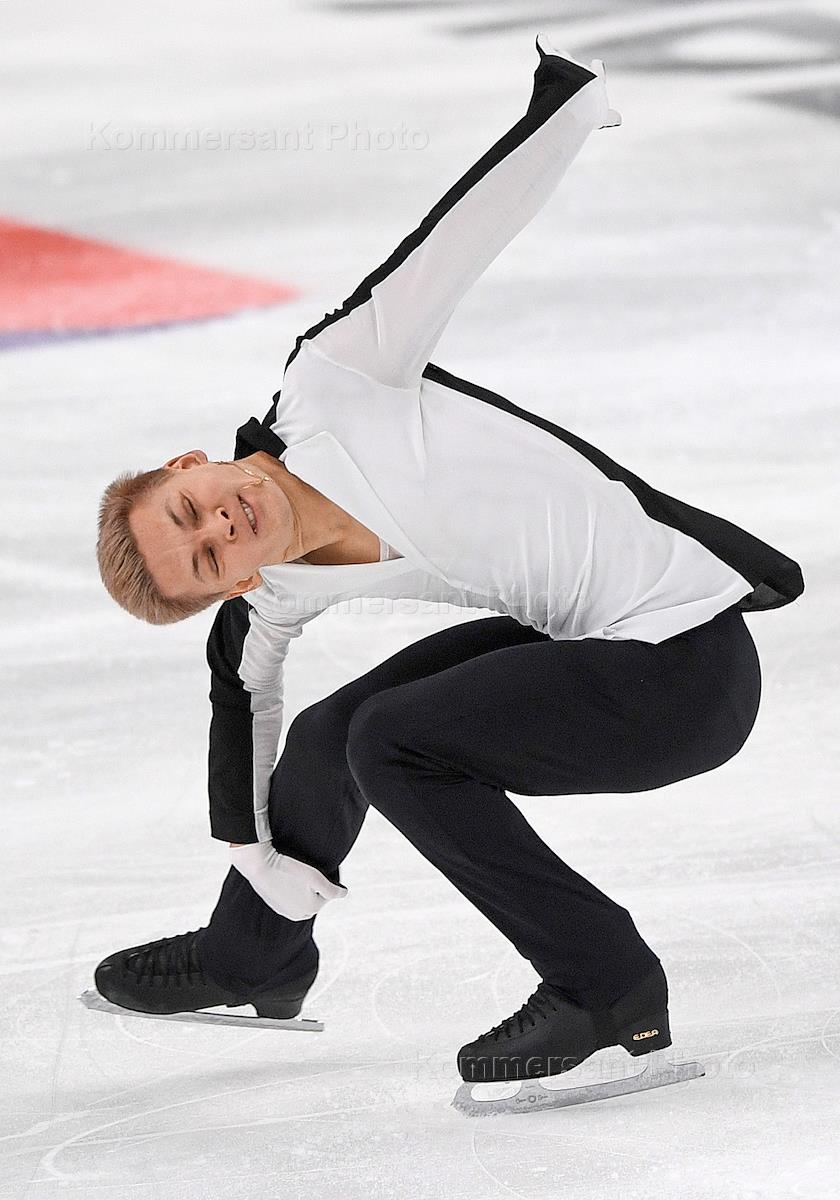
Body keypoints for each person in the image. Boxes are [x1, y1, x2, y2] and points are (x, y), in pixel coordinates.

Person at [93, 39, 803, 1085]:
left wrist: (567, 106)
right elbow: (242, 705)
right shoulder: (275, 590)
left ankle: (605, 983)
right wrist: (254, 860)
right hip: (602, 651)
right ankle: (255, 955)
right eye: (206, 558)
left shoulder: (339, 381)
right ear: (230, 587)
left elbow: (457, 239)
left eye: (192, 508)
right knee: (335, 732)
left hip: (685, 669)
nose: (223, 527)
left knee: (393, 740)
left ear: (188, 465)